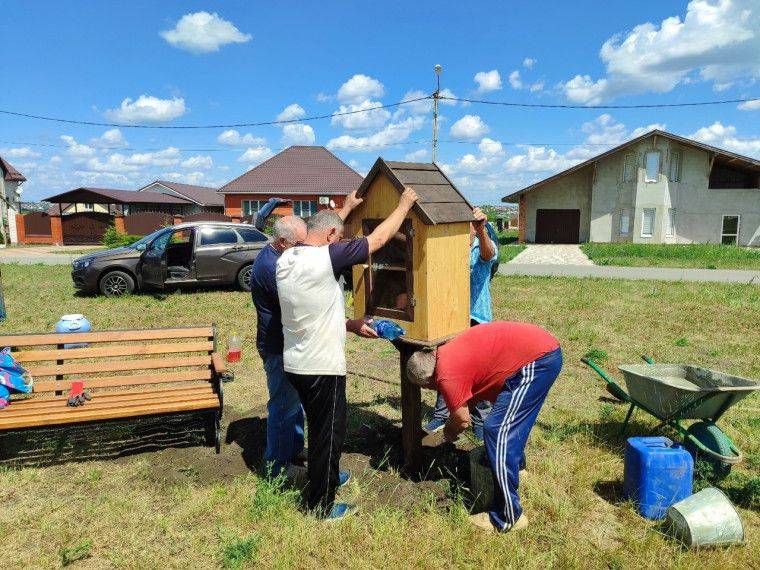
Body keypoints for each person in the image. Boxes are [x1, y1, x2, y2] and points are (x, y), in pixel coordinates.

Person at [276, 187, 418, 520]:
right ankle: (320, 506)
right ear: (329, 237)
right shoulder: (324, 257)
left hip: (296, 362)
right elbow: (379, 240)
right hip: (321, 367)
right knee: (328, 433)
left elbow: (315, 307)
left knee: (319, 428)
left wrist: (351, 326)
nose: (340, 246)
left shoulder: (287, 259)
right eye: (337, 240)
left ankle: (323, 474)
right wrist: (403, 205)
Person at [406, 321, 562, 533]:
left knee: (497, 430)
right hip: (538, 350)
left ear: (427, 382)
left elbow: (462, 420)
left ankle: (507, 517)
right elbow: (468, 401)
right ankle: (517, 468)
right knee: (510, 419)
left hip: (536, 361)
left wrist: (448, 432)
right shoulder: (446, 353)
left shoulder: (445, 374)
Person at [425, 206, 498, 441]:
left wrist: (482, 230)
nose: (461, 229)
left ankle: (480, 417)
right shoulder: (448, 248)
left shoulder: (481, 245)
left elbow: (488, 256)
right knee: (446, 365)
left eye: (466, 225)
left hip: (477, 317)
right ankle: (442, 412)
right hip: (449, 317)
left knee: (480, 369)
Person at [250, 215, 308, 477]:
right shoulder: (272, 269)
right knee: (283, 405)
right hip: (277, 347)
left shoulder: (279, 254)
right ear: (283, 242)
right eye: (300, 244)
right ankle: (277, 466)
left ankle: (293, 449)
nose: (304, 249)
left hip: (285, 343)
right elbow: (297, 305)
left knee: (294, 403)